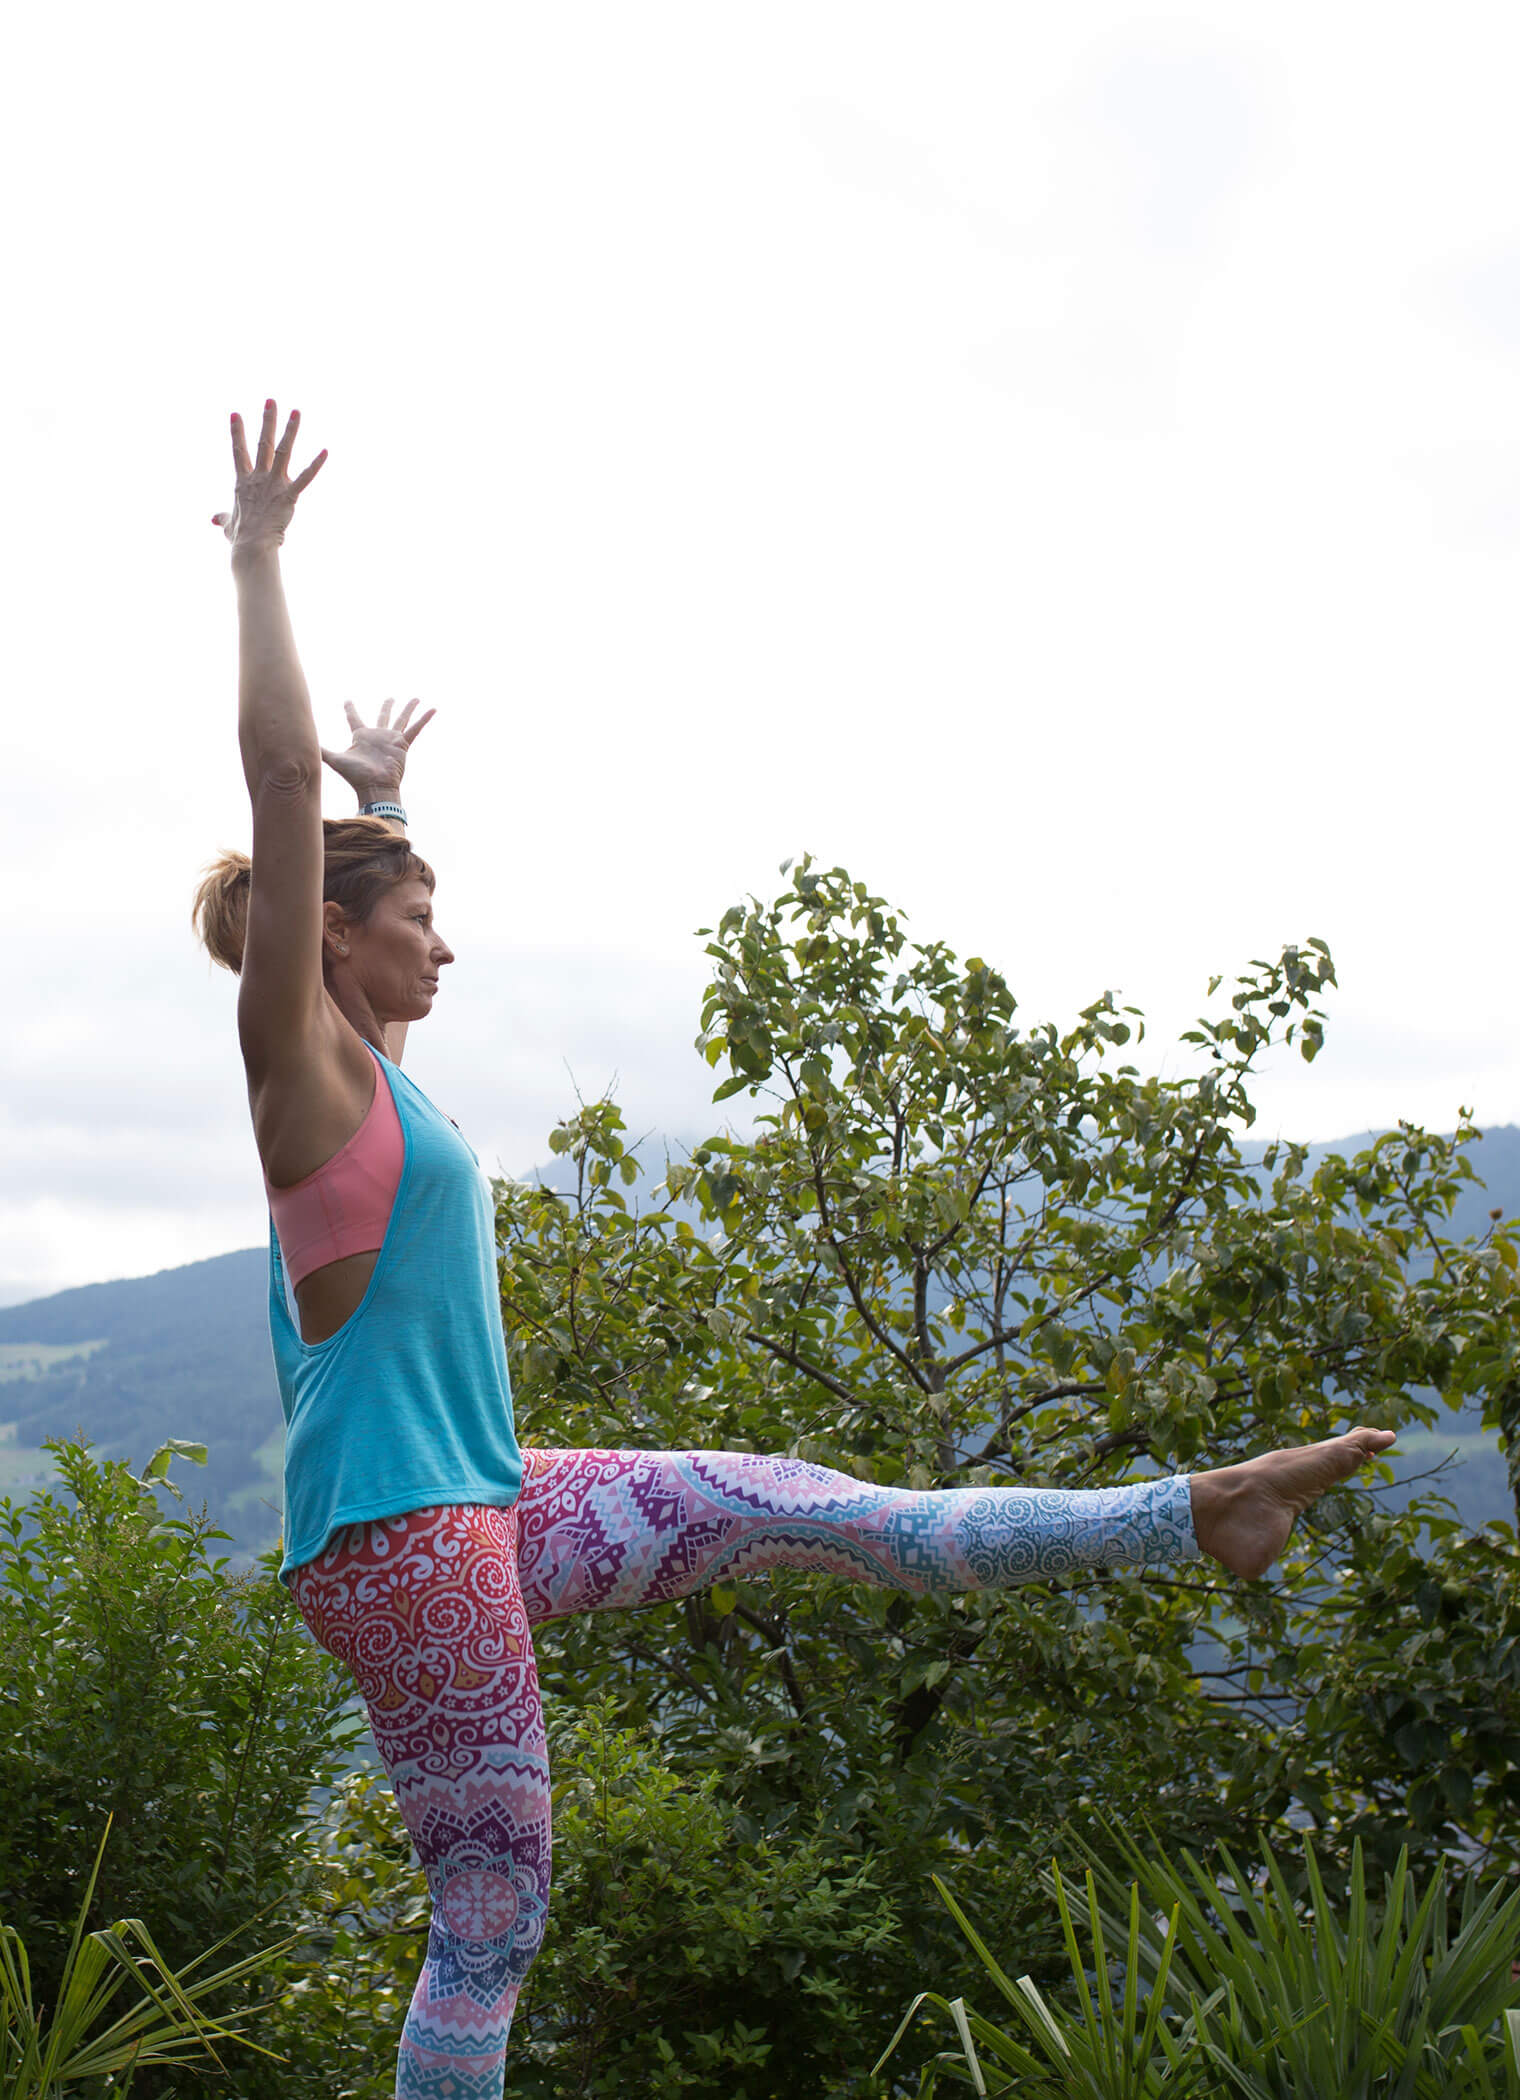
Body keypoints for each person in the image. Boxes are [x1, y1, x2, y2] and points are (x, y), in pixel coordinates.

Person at [196, 400, 1396, 2100]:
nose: (448, 946)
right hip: (402, 1541)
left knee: (830, 1515)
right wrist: (259, 561)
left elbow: (356, 918)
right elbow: (268, 786)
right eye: (418, 918)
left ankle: (1200, 1509)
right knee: (491, 1916)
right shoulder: (297, 1073)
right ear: (332, 931)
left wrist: (389, 795)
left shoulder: (380, 1084)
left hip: (484, 1500)